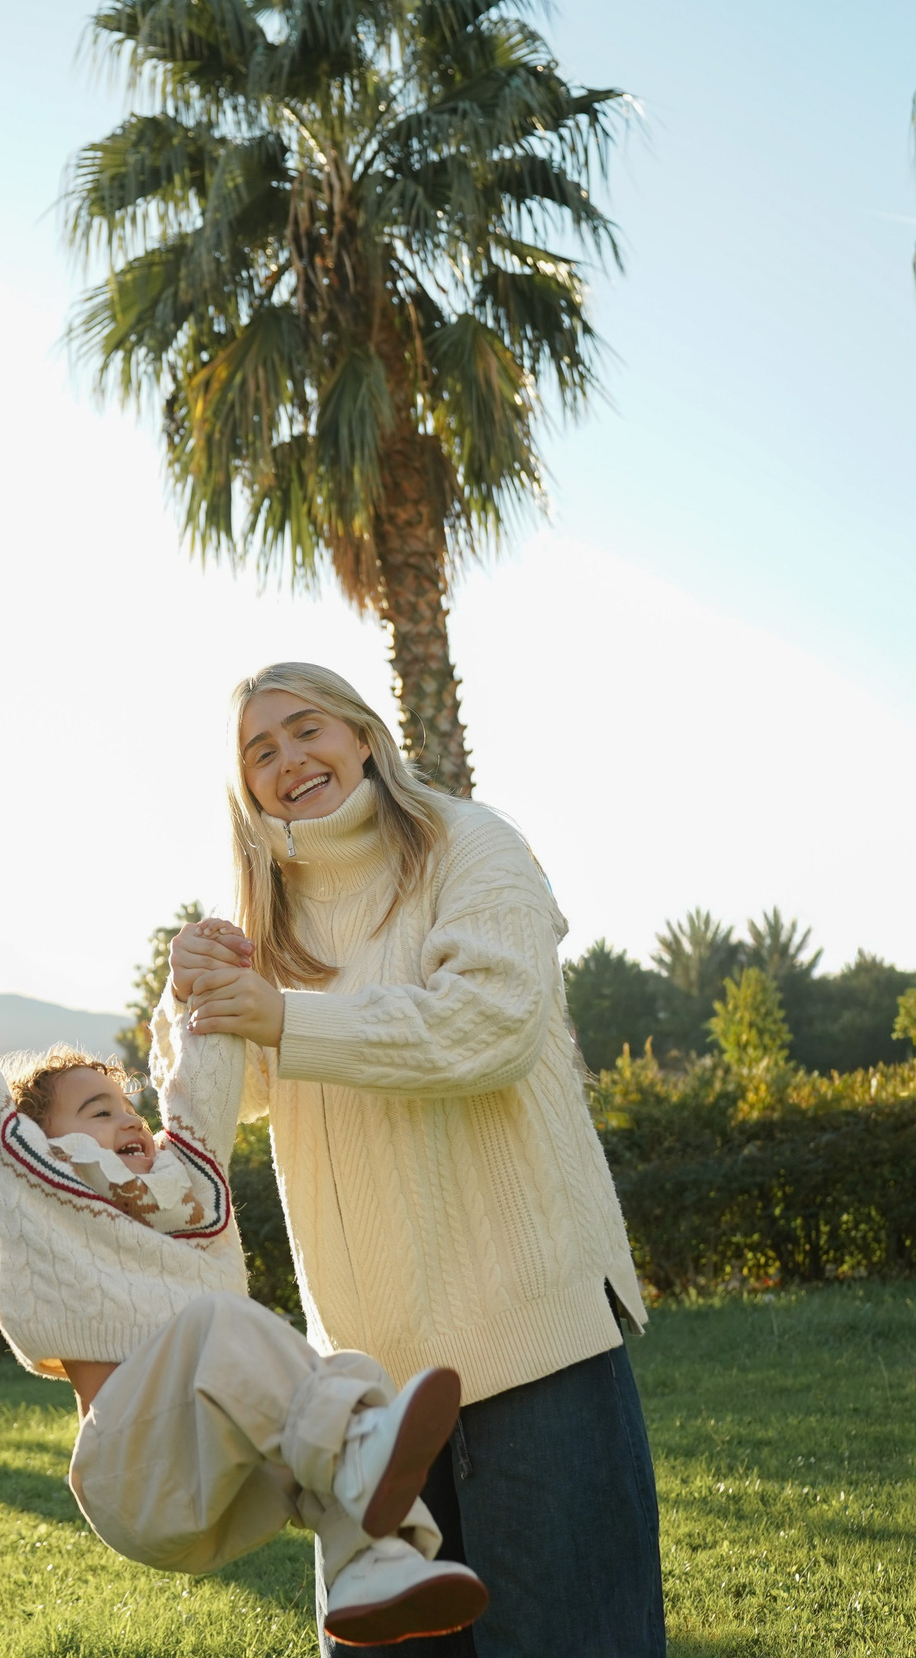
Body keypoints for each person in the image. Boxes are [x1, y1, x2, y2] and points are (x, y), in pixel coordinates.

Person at [168, 661, 665, 1657]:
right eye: (257, 752)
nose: (286, 761)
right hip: (364, 1398)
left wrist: (281, 1015)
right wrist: (187, 1005)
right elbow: (219, 1110)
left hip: (534, 1342)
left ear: (362, 735)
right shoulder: (259, 924)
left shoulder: (469, 844)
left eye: (305, 730)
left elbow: (492, 1024)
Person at [0, 968, 488, 1644]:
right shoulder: (18, 1177)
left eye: (127, 1105)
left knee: (350, 1372)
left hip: (231, 1485)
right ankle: (359, 1455)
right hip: (132, 1471)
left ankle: (371, 1563)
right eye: (98, 1110)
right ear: (37, 1137)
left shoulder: (185, 1188)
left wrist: (207, 984)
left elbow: (202, 1090)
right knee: (228, 1332)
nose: (128, 1118)